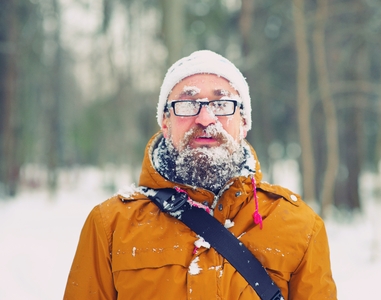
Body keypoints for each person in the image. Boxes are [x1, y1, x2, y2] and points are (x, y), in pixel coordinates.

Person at [63, 50, 337, 300]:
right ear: (165, 123)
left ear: (243, 123)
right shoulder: (110, 226)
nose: (205, 118)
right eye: (187, 103)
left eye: (221, 104)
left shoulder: (301, 227)